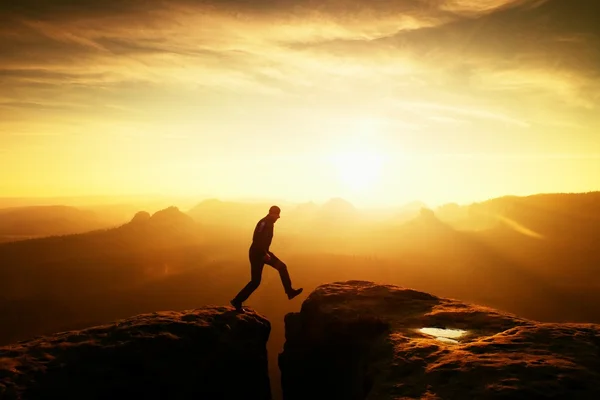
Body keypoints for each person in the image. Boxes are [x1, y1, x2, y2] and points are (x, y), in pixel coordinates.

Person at [230, 205, 303, 311]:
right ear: (272, 213)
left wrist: (265, 252)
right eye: (277, 215)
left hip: (263, 253)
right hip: (257, 254)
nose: (278, 217)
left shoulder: (269, 223)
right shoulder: (264, 223)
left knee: (281, 267)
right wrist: (264, 254)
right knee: (256, 281)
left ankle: (290, 292)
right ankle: (237, 301)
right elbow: (256, 239)